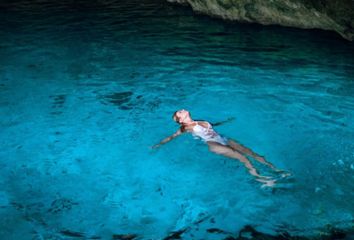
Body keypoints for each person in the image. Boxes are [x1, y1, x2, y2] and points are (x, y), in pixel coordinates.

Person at [152, 109, 287, 187]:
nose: (180, 110)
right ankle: (262, 180)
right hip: (213, 144)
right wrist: (158, 145)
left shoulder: (199, 121)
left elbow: (213, 125)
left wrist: (227, 121)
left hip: (222, 138)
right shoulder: (185, 127)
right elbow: (172, 136)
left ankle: (277, 170)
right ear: (180, 120)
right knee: (243, 158)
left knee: (254, 154)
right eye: (178, 113)